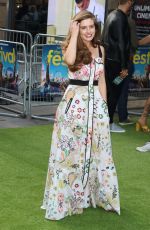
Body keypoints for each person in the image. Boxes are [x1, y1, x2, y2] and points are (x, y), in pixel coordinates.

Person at [41, 10, 120, 220]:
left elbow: (101, 80)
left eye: (91, 27)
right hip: (74, 105)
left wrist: (104, 108)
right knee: (70, 153)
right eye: (83, 27)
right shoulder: (72, 46)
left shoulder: (101, 48)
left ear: (96, 27)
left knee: (97, 151)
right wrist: (73, 34)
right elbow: (68, 61)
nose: (88, 31)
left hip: (96, 105)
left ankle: (93, 195)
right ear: (76, 27)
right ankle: (66, 199)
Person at [102, 0, 133, 133]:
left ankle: (105, 121)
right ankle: (108, 123)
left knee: (110, 92)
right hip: (117, 64)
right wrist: (124, 66)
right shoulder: (121, 18)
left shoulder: (111, 15)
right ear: (129, 2)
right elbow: (121, 43)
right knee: (115, 92)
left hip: (109, 61)